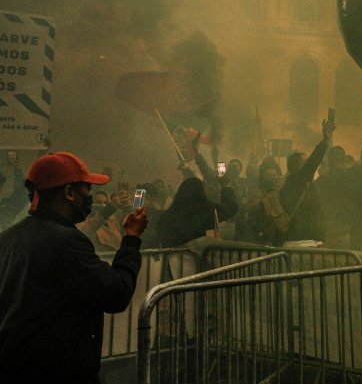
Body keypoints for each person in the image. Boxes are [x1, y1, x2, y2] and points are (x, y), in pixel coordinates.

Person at [0, 151, 148, 383]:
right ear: (69, 192)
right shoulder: (66, 242)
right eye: (87, 189)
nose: (90, 196)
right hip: (57, 371)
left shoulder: (9, 238)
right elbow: (116, 293)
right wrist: (131, 238)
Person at [157, 176, 238, 248]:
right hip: (202, 261)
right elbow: (230, 208)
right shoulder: (208, 210)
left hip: (172, 262)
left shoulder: (167, 216)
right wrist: (225, 187)